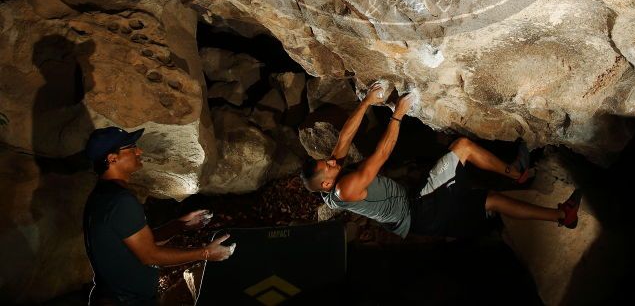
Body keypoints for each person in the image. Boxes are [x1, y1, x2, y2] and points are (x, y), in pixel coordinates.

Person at [300, 83, 581, 240]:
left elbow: (343, 140)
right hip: (421, 209)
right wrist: (399, 113)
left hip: (420, 217)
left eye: (329, 161)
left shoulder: (329, 183)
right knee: (463, 147)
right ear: (327, 181)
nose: (333, 162)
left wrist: (365, 103)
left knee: (491, 200)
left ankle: (562, 217)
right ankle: (517, 173)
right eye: (329, 166)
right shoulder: (343, 188)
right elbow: (381, 156)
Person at [83, 126, 235, 305]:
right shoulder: (120, 201)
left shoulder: (104, 196)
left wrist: (178, 225)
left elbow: (140, 243)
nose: (139, 151)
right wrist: (205, 253)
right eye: (131, 147)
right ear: (112, 158)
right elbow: (150, 255)